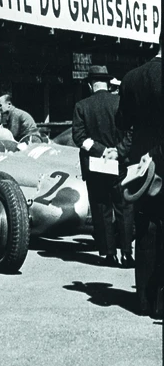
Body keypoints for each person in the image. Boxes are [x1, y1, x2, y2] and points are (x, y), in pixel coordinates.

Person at [111, 42, 163, 318]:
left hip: (142, 167)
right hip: (160, 160)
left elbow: (122, 122)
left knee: (146, 228)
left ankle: (144, 300)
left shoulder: (132, 78)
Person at [72, 65, 134, 268]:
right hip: (119, 163)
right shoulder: (120, 103)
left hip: (96, 164)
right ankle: (126, 254)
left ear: (91, 85)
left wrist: (101, 150)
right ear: (108, 84)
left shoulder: (82, 106)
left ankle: (108, 254)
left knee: (101, 208)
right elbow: (131, 132)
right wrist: (118, 151)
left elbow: (79, 137)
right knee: (124, 208)